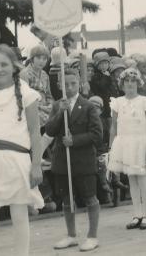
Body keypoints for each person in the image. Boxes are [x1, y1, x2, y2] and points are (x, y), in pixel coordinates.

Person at [0, 45, 44, 256]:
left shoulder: (27, 94)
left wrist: (36, 165)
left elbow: (34, 132)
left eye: (4, 64)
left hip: (16, 159)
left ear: (14, 67)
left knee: (19, 215)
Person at [44, 68, 102, 252]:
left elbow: (97, 135)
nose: (69, 87)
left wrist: (74, 141)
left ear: (80, 84)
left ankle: (92, 236)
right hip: (62, 160)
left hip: (83, 161)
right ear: (60, 85)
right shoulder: (57, 105)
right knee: (66, 199)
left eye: (73, 84)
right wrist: (61, 113)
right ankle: (71, 235)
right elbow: (50, 131)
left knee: (90, 197)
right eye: (65, 84)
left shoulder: (88, 106)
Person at [109, 68, 146, 231]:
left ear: (138, 84)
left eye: (133, 82)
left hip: (141, 142)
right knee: (132, 179)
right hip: (124, 144)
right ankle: (136, 214)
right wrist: (111, 149)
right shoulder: (117, 102)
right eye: (126, 82)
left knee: (142, 178)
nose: (130, 84)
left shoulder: (145, 101)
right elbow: (113, 127)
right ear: (122, 84)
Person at [21, 44, 54, 125]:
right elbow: (24, 98)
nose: (41, 61)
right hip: (32, 110)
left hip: (46, 109)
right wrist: (42, 107)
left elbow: (49, 95)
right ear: (32, 59)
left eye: (44, 58)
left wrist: (50, 104)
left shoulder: (45, 75)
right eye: (38, 58)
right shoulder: (25, 74)